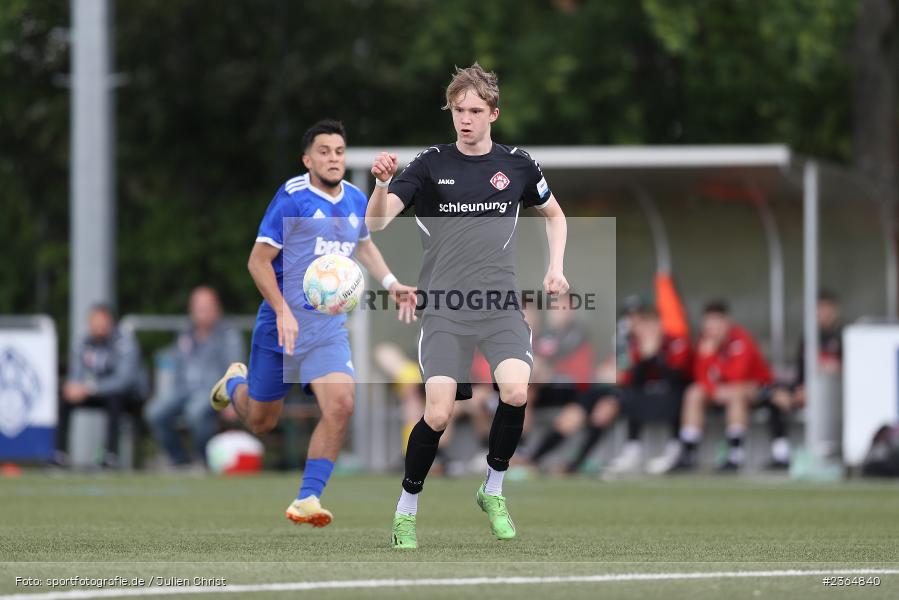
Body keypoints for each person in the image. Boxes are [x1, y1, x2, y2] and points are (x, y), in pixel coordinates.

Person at [366, 63, 569, 548]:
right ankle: (406, 509)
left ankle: (493, 490)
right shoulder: (429, 165)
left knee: (516, 392)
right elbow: (376, 224)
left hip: (500, 306)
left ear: (493, 113)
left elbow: (555, 215)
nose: (466, 118)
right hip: (445, 308)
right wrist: (379, 185)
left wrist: (556, 266)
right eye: (458, 110)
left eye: (475, 110)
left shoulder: (518, 165)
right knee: (437, 413)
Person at [208, 119, 414, 528]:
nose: (333, 158)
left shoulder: (355, 199)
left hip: (326, 330)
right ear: (308, 159)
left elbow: (362, 244)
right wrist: (283, 311)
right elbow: (257, 262)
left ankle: (307, 497)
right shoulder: (292, 198)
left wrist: (391, 283)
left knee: (342, 403)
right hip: (281, 326)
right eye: (324, 151)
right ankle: (234, 384)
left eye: (339, 151)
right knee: (262, 421)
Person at [648, 300, 772, 473]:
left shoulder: (741, 339)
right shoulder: (703, 342)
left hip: (757, 389)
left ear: (726, 322)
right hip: (720, 391)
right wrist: (714, 389)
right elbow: (700, 377)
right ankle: (688, 452)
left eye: (716, 322)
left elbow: (737, 376)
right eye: (709, 322)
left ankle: (735, 454)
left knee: (736, 393)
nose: (712, 328)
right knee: (693, 392)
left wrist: (712, 358)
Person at [146, 286, 244, 469]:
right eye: (198, 307)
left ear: (217, 308)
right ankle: (179, 461)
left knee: (195, 411)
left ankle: (203, 460)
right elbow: (178, 367)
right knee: (155, 412)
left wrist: (232, 398)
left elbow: (236, 367)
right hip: (183, 390)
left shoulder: (228, 334)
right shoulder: (185, 333)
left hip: (214, 392)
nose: (202, 312)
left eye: (207, 307)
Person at [55, 304, 146, 469]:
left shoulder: (124, 343)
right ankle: (59, 454)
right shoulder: (83, 342)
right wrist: (73, 387)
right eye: (95, 322)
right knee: (65, 398)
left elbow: (123, 381)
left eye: (102, 322)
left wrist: (89, 387)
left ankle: (110, 455)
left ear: (110, 323)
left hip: (130, 395)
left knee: (115, 398)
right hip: (98, 391)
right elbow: (76, 373)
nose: (99, 327)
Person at [763, 290, 843, 468]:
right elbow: (801, 371)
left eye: (826, 309)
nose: (822, 313)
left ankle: (827, 454)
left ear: (834, 311)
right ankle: (780, 454)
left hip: (831, 395)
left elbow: (843, 374)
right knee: (776, 396)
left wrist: (812, 391)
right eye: (819, 309)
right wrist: (798, 389)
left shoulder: (842, 337)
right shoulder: (808, 337)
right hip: (805, 390)